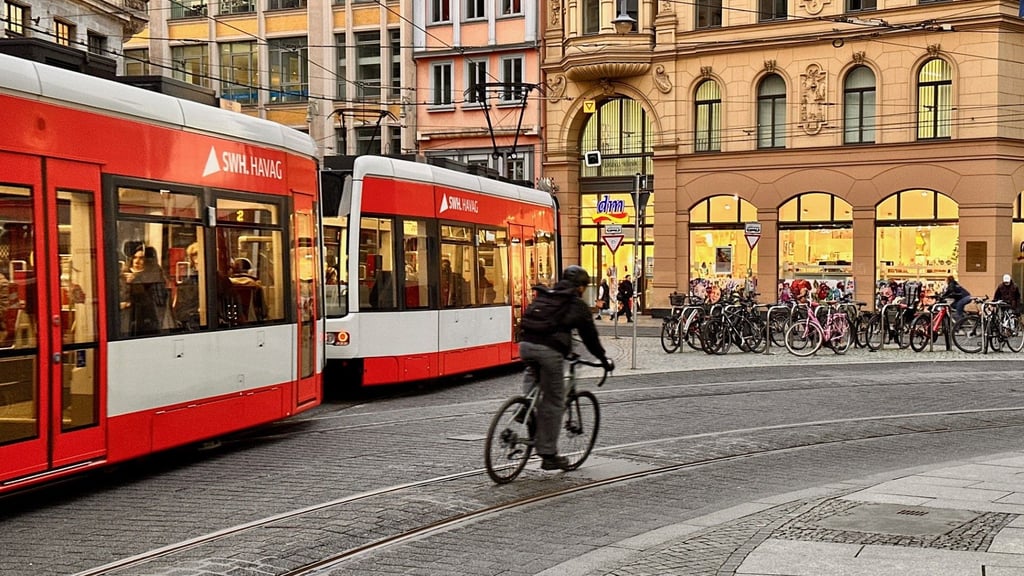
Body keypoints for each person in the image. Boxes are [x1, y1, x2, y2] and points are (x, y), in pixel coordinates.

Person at [519, 265, 614, 471]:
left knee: (533, 382)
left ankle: (524, 408)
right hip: (549, 351)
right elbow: (590, 337)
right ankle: (548, 455)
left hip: (526, 345)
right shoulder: (576, 304)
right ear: (580, 287)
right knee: (554, 401)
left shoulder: (547, 294)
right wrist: (603, 360)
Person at [126, 246, 170, 336]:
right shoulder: (124, 274)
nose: (136, 261)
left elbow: (160, 301)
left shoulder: (154, 276)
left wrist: (137, 281)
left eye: (141, 258)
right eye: (134, 257)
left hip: (148, 322)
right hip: (127, 321)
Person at [227, 257, 267, 323]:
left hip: (231, 322)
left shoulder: (227, 284)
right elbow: (263, 311)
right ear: (249, 271)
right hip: (252, 322)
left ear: (233, 270)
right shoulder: (256, 285)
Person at [173, 243, 202, 331]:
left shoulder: (219, 280)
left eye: (199, 256)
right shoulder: (186, 284)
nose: (197, 260)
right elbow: (179, 312)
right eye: (194, 257)